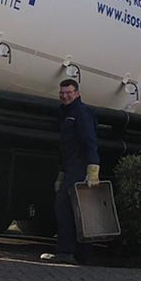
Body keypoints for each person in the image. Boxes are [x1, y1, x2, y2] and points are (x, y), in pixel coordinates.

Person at [46, 77, 100, 263]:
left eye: (68, 92)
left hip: (79, 166)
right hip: (70, 166)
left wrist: (93, 168)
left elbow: (89, 140)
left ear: (77, 93)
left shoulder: (81, 112)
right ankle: (80, 255)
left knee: (65, 207)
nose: (65, 96)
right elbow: (64, 147)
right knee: (76, 210)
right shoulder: (64, 112)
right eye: (62, 93)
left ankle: (65, 252)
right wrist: (61, 172)